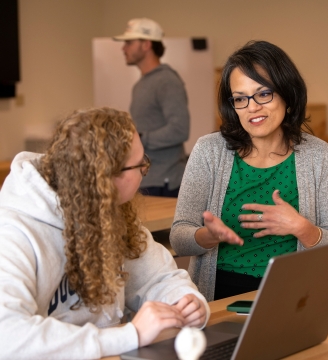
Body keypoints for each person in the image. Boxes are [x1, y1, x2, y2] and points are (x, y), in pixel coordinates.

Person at [0, 108, 208, 359]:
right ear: (107, 176)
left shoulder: (108, 210)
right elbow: (9, 337)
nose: (144, 171)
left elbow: (157, 278)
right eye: (141, 165)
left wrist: (185, 300)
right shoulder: (13, 232)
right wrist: (130, 336)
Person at [170, 40, 328, 302]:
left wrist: (301, 227)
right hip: (220, 295)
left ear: (288, 95)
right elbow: (178, 238)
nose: (252, 107)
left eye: (263, 94)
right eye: (241, 98)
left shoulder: (318, 155)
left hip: (294, 294)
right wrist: (208, 236)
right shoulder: (209, 151)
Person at [113, 18, 190, 197]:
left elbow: (179, 129)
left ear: (146, 44)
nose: (123, 48)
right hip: (147, 178)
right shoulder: (142, 84)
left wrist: (138, 139)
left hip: (165, 182)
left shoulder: (167, 81)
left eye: (129, 42)